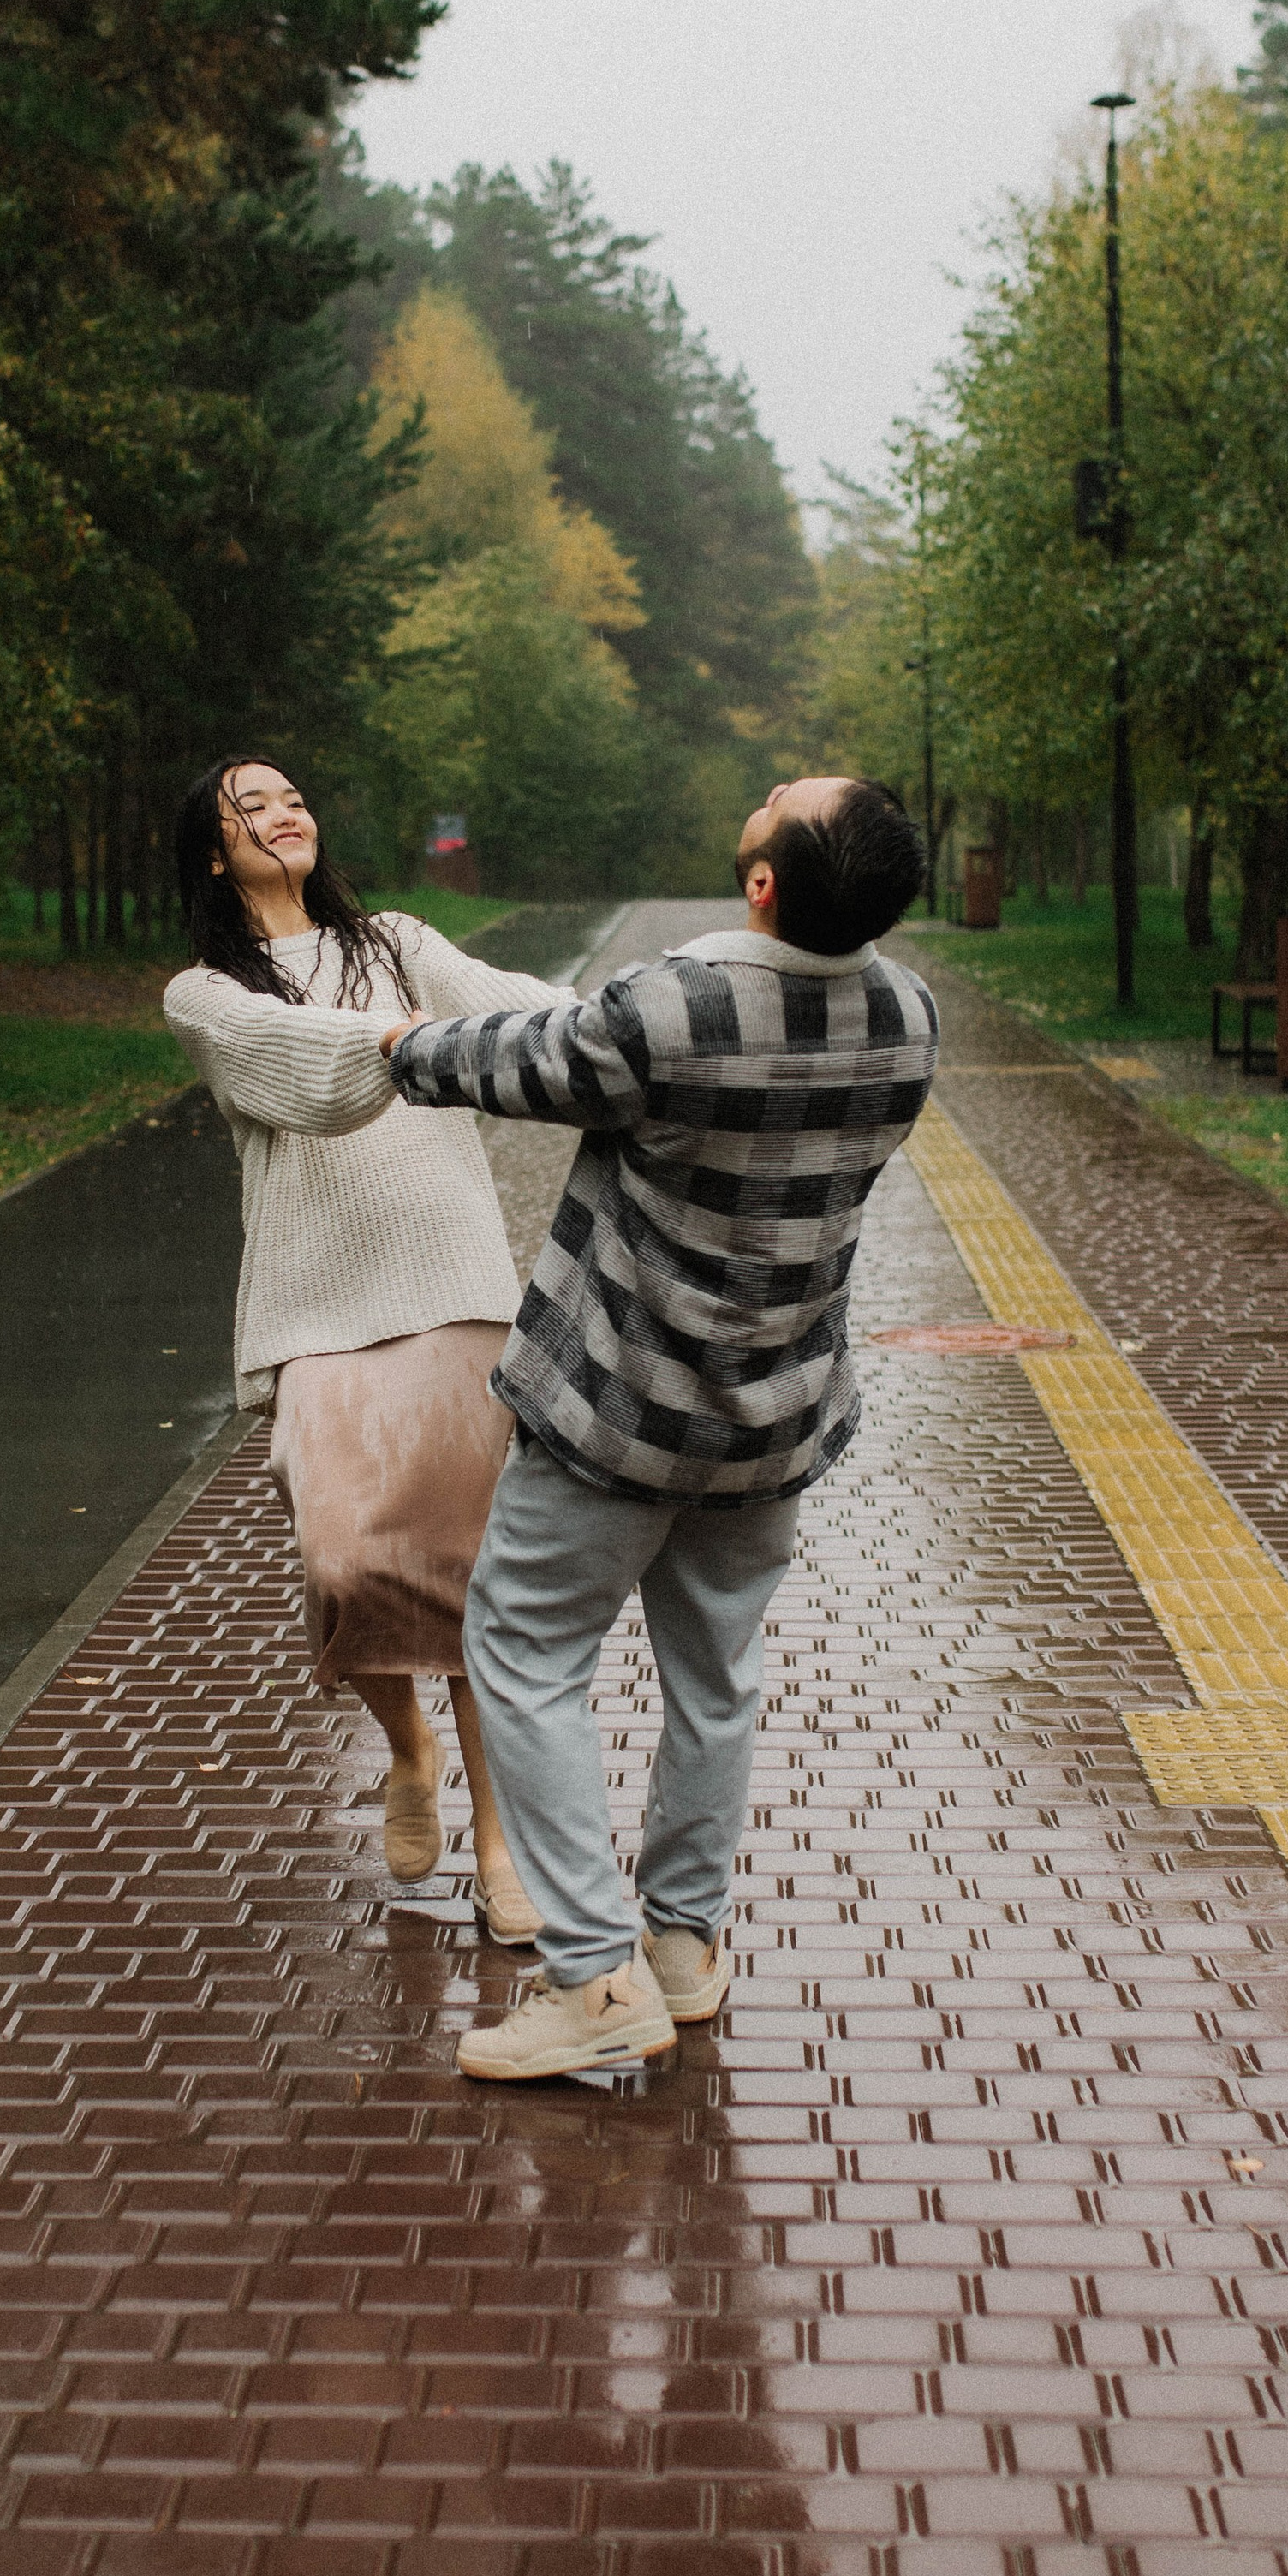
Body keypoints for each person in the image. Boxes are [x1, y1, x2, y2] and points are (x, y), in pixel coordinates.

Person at [378, 774, 936, 2080]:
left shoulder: (675, 1005)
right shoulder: (908, 1017)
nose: (774, 784)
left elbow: (518, 1063)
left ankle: (589, 1978)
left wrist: (401, 1043)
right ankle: (682, 1945)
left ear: (763, 883)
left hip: (617, 1417)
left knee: (523, 1652)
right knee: (717, 1676)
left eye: (787, 797)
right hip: (773, 1420)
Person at [162, 754, 574, 1944]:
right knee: (344, 1569)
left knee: (477, 1577)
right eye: (251, 807)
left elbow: (510, 1005)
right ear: (213, 855)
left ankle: (501, 1848)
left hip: (454, 1284)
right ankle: (407, 1746)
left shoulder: (395, 940)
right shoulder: (204, 995)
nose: (283, 815)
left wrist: (618, 1028)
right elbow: (308, 1077)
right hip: (316, 1309)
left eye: (293, 798)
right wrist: (411, 1043)